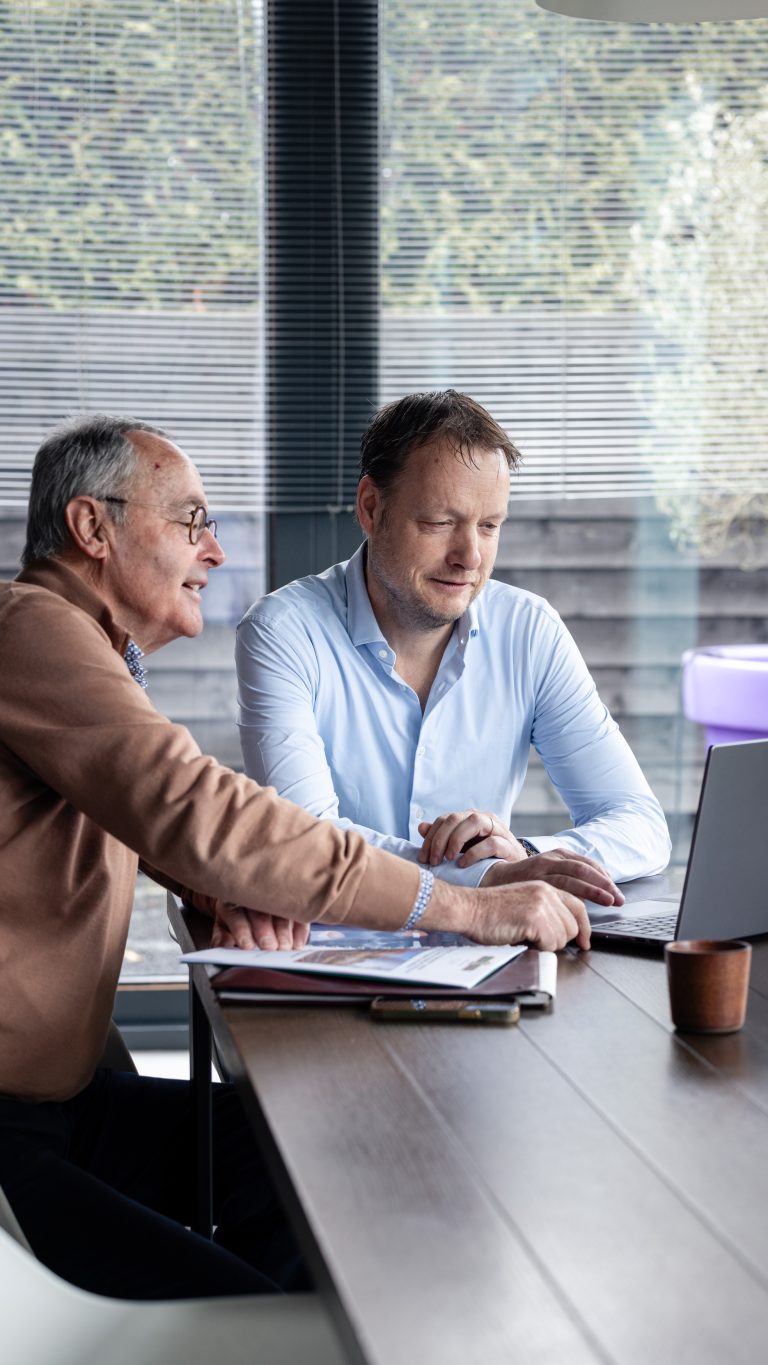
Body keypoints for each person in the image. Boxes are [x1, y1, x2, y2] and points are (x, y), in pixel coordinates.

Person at [0, 413, 591, 1302]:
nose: (215, 553)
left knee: (310, 1151)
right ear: (93, 529)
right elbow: (197, 805)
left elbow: (151, 817)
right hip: (16, 1132)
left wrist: (221, 878)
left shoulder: (74, 652)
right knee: (287, 1280)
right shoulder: (31, 631)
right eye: (192, 521)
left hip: (63, 1105)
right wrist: (465, 905)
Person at [236, 390, 670, 903]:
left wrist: (522, 854)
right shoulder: (284, 632)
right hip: (340, 956)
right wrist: (484, 876)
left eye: (489, 527)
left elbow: (639, 823)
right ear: (373, 509)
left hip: (494, 958)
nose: (470, 557)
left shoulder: (529, 631)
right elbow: (306, 846)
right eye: (441, 523)